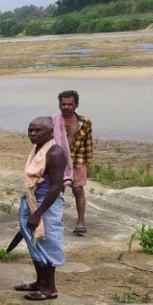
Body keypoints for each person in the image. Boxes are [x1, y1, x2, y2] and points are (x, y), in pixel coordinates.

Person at [14, 117, 67, 301]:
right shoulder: (37, 149)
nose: (33, 134)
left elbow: (57, 186)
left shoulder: (54, 152)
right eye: (30, 130)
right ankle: (40, 282)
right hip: (32, 199)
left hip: (46, 203)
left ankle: (50, 288)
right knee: (33, 242)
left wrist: (38, 213)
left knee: (48, 243)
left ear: (51, 133)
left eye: (38, 131)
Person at [57, 90, 93, 235]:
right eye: (63, 104)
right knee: (58, 191)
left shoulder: (84, 122)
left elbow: (88, 143)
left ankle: (81, 221)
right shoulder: (54, 120)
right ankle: (56, 219)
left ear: (76, 105)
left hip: (78, 160)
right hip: (58, 162)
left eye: (69, 104)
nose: (66, 107)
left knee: (78, 190)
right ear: (59, 105)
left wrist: (88, 163)